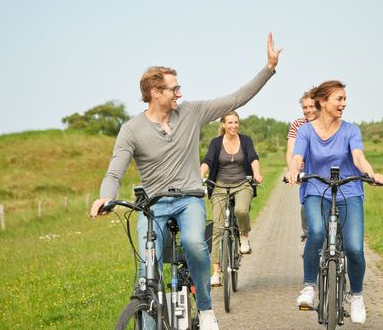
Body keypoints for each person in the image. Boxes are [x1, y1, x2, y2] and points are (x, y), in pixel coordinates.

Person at [90, 33, 282, 330]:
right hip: (153, 205)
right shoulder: (131, 129)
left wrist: (268, 68)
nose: (179, 93)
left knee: (194, 243)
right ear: (155, 91)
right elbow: (115, 171)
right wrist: (106, 196)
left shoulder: (191, 112)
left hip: (189, 199)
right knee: (146, 267)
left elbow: (236, 98)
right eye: (174, 88)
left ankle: (205, 309)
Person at [285, 80, 383, 324]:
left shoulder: (351, 130)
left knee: (353, 247)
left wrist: (371, 174)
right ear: (323, 101)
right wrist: (293, 171)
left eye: (344, 99)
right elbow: (297, 156)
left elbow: (358, 157)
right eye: (339, 99)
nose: (344, 103)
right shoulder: (306, 131)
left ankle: (357, 296)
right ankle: (309, 286)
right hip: (316, 189)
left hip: (349, 191)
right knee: (316, 233)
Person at [200, 111, 262, 286]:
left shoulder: (246, 140)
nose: (233, 126)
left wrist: (256, 173)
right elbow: (207, 161)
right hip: (219, 186)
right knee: (217, 228)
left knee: (241, 210)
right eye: (230, 123)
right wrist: (200, 174)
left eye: (236, 122)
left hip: (242, 184)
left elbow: (253, 158)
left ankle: (244, 236)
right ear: (223, 125)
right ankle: (217, 272)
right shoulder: (216, 143)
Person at [285, 89, 317, 253]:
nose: (309, 110)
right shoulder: (298, 124)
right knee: (306, 205)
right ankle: (306, 237)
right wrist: (293, 171)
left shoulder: (329, 123)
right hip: (307, 172)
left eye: (311, 106)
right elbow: (291, 151)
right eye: (305, 107)